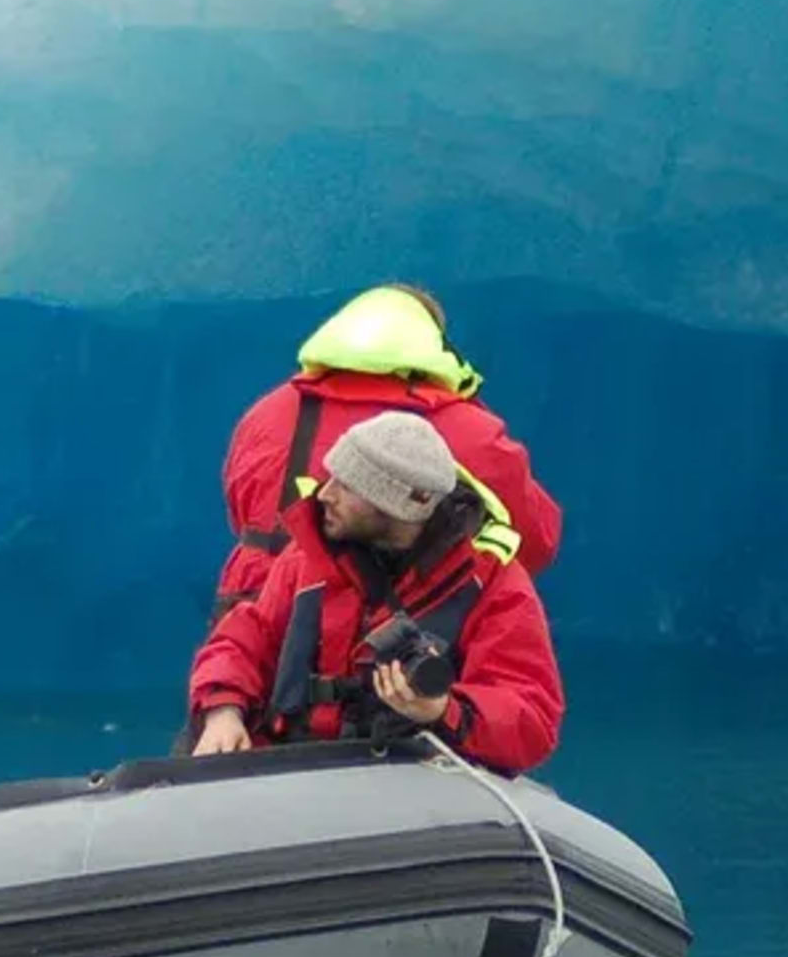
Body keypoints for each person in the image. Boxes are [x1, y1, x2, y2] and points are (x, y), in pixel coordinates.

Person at [190, 411, 564, 773]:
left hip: (414, 788)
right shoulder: (307, 558)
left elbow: (530, 719)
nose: (324, 494)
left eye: (348, 485)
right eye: (331, 475)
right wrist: (223, 711)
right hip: (295, 772)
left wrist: (443, 710)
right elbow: (243, 639)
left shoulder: (491, 584)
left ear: (398, 505)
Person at [214, 284, 560, 619]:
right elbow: (533, 540)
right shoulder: (471, 430)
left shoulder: (267, 415)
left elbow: (244, 512)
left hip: (252, 619)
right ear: (433, 346)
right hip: (403, 636)